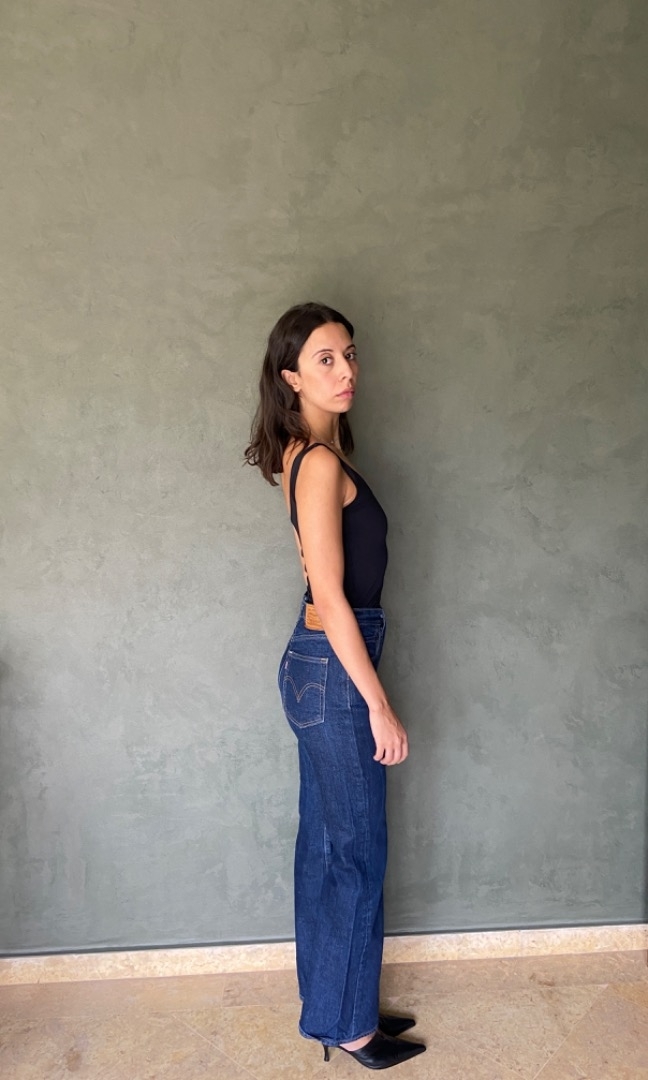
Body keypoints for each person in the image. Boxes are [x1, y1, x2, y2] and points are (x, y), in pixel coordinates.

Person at [245, 302, 426, 1070]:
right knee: (354, 852)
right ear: (291, 377)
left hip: (320, 665)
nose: (346, 370)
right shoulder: (317, 463)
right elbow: (332, 594)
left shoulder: (303, 454)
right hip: (336, 666)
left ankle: (336, 1007)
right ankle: (350, 1027)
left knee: (327, 848)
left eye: (349, 354)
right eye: (325, 359)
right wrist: (378, 704)